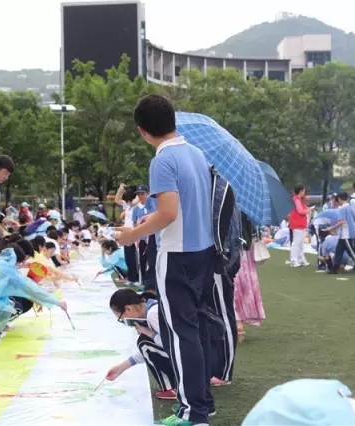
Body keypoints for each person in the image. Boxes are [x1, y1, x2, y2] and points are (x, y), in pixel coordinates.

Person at [115, 94, 216, 426]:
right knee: (197, 330)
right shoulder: (196, 153)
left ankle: (192, 412)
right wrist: (151, 221)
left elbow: (170, 213)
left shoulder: (162, 160)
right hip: (203, 252)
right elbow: (183, 208)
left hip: (177, 256)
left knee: (182, 334)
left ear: (142, 131)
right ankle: (203, 404)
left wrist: (132, 234)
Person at [105, 289, 177, 401]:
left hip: (188, 358)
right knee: (145, 342)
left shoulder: (152, 314)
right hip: (190, 356)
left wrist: (149, 333)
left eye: (122, 319)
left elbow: (173, 344)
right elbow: (152, 349)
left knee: (143, 342)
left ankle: (170, 388)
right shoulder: (152, 308)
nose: (125, 322)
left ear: (128, 309)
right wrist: (121, 368)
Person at [324, 192, 355, 274]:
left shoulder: (343, 208)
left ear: (339, 199)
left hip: (346, 233)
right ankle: (335, 268)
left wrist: (331, 228)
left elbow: (341, 221)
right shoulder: (350, 207)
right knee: (339, 250)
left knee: (351, 252)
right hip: (346, 233)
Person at [131, 184, 158, 290]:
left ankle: (151, 283)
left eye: (142, 194)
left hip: (152, 236)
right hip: (142, 238)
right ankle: (143, 282)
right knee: (142, 261)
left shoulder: (152, 203)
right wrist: (137, 235)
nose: (141, 196)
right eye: (139, 194)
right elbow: (135, 223)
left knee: (152, 261)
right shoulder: (136, 208)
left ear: (147, 193)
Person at [115, 183, 140, 286]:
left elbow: (135, 200)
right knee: (128, 257)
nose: (127, 202)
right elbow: (117, 200)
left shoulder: (136, 205)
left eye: (128, 200)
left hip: (133, 232)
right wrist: (120, 189)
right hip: (126, 233)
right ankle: (131, 278)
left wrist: (134, 193)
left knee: (134, 258)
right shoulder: (128, 206)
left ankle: (137, 279)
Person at [289, 185, 313, 267]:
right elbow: (300, 211)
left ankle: (300, 258)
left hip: (301, 223)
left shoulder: (299, 199)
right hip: (297, 223)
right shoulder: (296, 199)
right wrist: (309, 210)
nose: (304, 193)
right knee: (296, 242)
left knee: (301, 243)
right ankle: (294, 260)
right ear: (301, 191)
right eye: (304, 191)